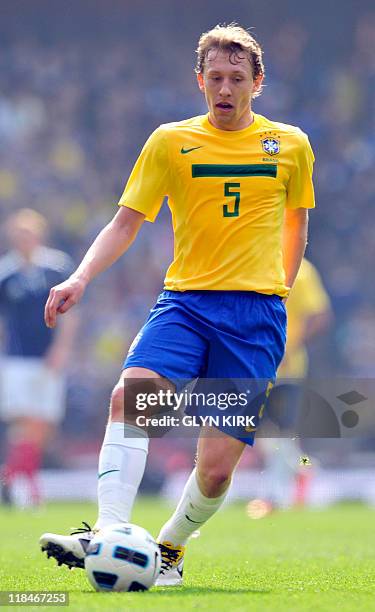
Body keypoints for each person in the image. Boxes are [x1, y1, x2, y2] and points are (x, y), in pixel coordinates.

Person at [39, 23, 315, 586]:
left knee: (214, 473)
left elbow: (296, 226)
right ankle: (108, 531)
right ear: (199, 80)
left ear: (257, 83)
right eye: (215, 76)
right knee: (130, 398)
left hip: (255, 318)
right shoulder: (169, 141)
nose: (225, 87)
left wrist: (278, 293)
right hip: (185, 303)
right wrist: (80, 277)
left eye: (237, 78)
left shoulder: (290, 145)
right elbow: (125, 223)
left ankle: (169, 546)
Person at [0, 209, 77, 506]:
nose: (24, 239)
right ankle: (29, 489)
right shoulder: (6, 273)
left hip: (48, 358)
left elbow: (71, 315)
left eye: (28, 232)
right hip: (18, 359)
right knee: (25, 422)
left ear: (39, 234)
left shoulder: (56, 269)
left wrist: (61, 349)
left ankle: (9, 477)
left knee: (42, 425)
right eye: (19, 233)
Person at [256, 258, 332, 512]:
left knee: (277, 431)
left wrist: (293, 347)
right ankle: (304, 468)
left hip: (286, 365)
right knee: (266, 434)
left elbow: (320, 315)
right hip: (258, 362)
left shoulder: (302, 270)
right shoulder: (258, 261)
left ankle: (274, 497)